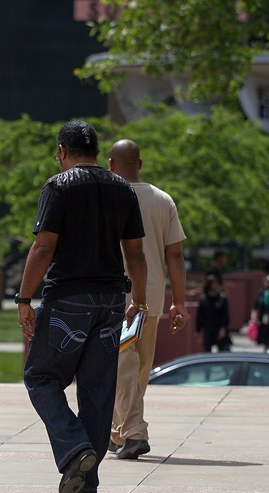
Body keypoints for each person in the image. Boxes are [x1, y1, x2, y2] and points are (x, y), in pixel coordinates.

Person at [16, 120, 147, 493]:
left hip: (67, 301)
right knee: (98, 392)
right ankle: (85, 483)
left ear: (62, 150)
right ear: (96, 150)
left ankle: (75, 448)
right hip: (111, 303)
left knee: (40, 377)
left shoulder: (59, 186)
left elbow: (43, 248)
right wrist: (138, 301)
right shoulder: (124, 189)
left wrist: (24, 299)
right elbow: (135, 254)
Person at [107, 139, 188, 461]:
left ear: (111, 164)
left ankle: (135, 432)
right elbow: (176, 255)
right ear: (139, 164)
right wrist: (178, 302)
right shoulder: (163, 200)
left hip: (117, 293)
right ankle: (120, 432)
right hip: (152, 294)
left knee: (124, 365)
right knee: (138, 367)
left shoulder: (109, 198)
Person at [195, 275, 231, 352]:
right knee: (207, 351)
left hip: (219, 328)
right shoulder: (203, 299)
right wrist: (198, 330)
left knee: (222, 351)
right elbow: (200, 316)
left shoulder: (222, 298)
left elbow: (225, 315)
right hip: (208, 329)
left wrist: (223, 328)